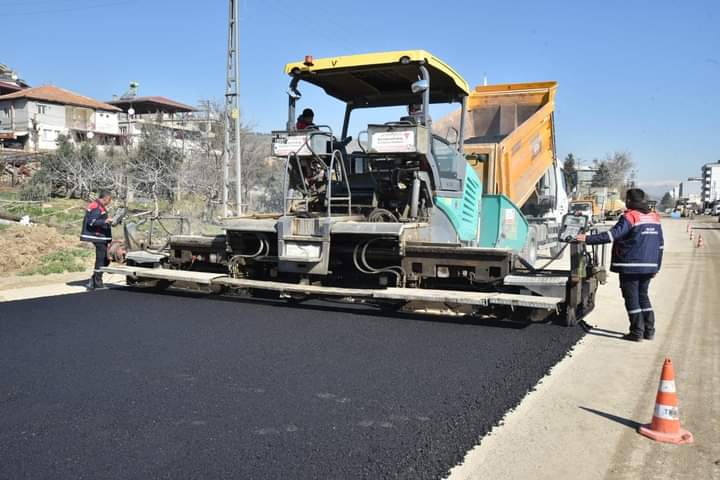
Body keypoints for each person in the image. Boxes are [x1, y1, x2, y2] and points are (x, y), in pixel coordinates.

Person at [576, 188, 664, 341]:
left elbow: (612, 235)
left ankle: (637, 332)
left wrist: (587, 239)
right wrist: (657, 266)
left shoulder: (630, 217)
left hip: (631, 266)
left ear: (629, 200)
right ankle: (649, 330)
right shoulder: (654, 217)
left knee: (632, 298)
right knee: (643, 296)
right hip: (650, 266)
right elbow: (660, 245)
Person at [80, 190, 114, 290]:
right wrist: (105, 221)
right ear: (106, 198)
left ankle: (93, 281)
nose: (110, 202)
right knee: (101, 259)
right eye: (110, 200)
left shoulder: (99, 206)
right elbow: (91, 222)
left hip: (101, 237)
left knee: (105, 259)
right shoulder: (96, 207)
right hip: (97, 237)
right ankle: (98, 284)